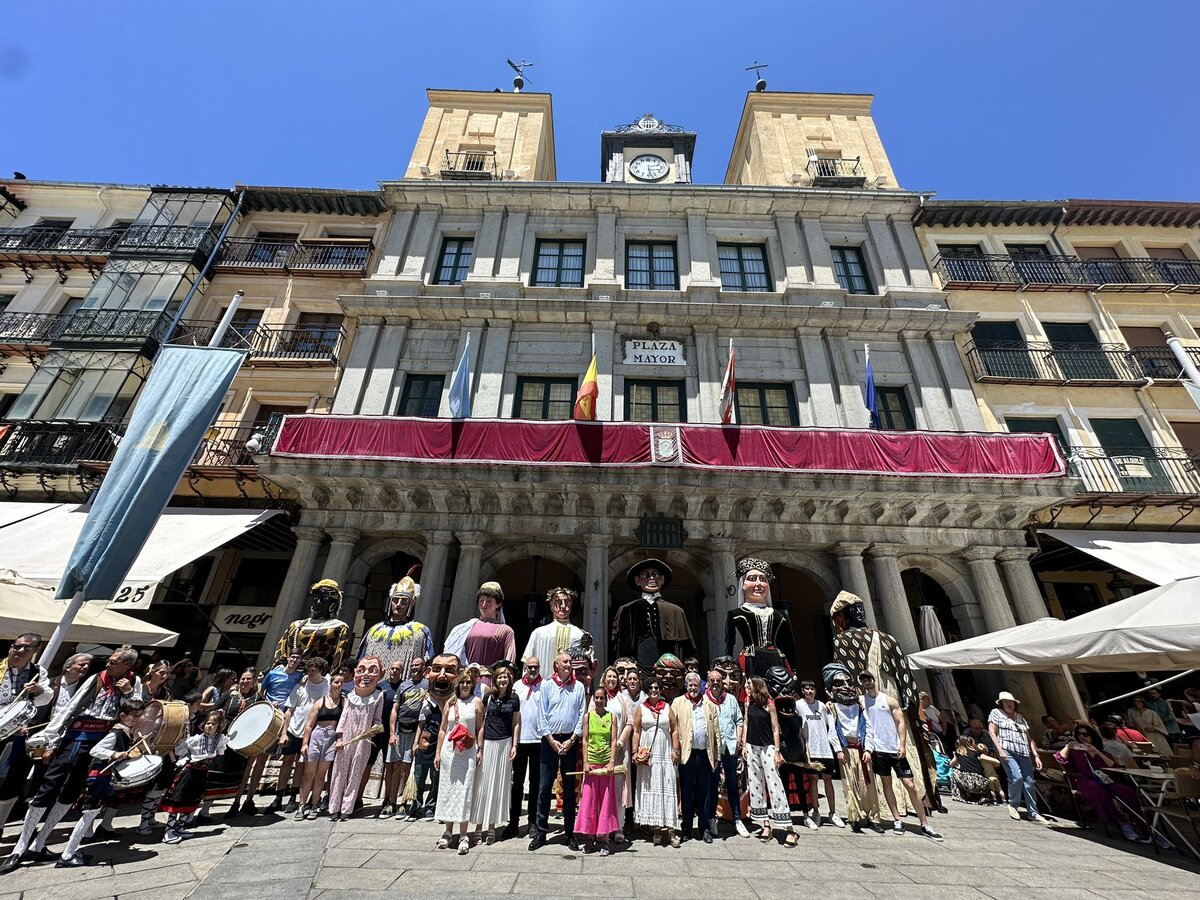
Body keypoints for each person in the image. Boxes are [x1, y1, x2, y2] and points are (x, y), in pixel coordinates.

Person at [1, 647, 144, 874]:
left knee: (72, 792)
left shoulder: (133, 682)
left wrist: (128, 693)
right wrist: (50, 736)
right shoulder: (96, 679)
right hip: (77, 736)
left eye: (115, 661)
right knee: (48, 788)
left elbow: (136, 711)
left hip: (104, 742)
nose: (108, 663)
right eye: (110, 659)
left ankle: (40, 843)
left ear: (127, 665)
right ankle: (20, 847)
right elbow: (70, 707)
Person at [830, 591, 929, 819]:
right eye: (856, 609)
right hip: (889, 693)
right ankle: (910, 800)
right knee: (896, 742)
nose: (860, 613)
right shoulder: (887, 638)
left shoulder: (843, 640)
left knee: (873, 742)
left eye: (860, 609)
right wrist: (911, 705)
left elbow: (846, 676)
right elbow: (905, 676)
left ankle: (885, 801)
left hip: (865, 699)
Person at [50, 697, 146, 868]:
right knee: (88, 816)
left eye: (139, 716)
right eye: (133, 715)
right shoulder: (116, 733)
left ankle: (70, 852)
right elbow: (95, 751)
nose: (136, 719)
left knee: (90, 815)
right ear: (122, 716)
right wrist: (114, 754)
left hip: (106, 778)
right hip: (99, 777)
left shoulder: (126, 732)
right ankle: (66, 855)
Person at [860, 671, 943, 842]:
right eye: (863, 681)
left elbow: (901, 722)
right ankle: (897, 819)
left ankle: (924, 823)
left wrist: (902, 744)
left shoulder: (888, 699)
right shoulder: (862, 701)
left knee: (909, 784)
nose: (867, 683)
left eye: (868, 679)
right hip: (878, 749)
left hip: (894, 748)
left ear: (874, 680)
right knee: (886, 783)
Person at [1057, 723, 1170, 847]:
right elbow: (1060, 759)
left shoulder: (1101, 751)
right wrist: (1068, 746)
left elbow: (1112, 765)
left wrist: (1096, 752)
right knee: (1097, 790)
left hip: (1106, 780)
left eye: (1085, 734)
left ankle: (1147, 826)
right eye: (1079, 734)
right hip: (1086, 781)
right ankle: (1121, 821)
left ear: (1092, 736)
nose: (1082, 737)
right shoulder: (1075, 751)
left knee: (1128, 792)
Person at [227, 652, 303, 818]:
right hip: (267, 716)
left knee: (261, 761)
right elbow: (262, 691)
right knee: (250, 762)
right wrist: (267, 704)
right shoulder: (274, 673)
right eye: (293, 657)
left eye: (298, 658)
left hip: (280, 720)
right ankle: (237, 800)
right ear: (289, 658)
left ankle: (249, 800)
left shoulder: (299, 676)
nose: (294, 660)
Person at [529, 650, 587, 851]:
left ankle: (570, 832)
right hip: (550, 741)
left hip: (570, 741)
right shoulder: (546, 685)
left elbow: (582, 714)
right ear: (556, 665)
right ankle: (541, 832)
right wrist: (552, 740)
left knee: (570, 788)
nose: (569, 665)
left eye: (570, 662)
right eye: (565, 662)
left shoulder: (578, 687)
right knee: (545, 787)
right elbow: (542, 714)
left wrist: (572, 739)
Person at [0, 633, 52, 832]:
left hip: (20, 732)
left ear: (35, 651)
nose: (19, 651)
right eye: (17, 646)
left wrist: (37, 690)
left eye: (26, 648)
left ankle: (1, 824)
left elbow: (46, 698)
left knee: (15, 778)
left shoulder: (38, 672)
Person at [610, 559, 696, 674]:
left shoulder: (676, 611)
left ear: (662, 580)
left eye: (655, 575)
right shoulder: (626, 610)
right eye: (645, 575)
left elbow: (686, 650)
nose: (651, 578)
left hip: (668, 673)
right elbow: (618, 649)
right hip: (636, 672)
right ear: (637, 580)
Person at [823, 663, 879, 834]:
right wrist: (838, 749)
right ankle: (854, 816)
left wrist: (869, 749)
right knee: (850, 783)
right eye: (839, 684)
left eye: (848, 683)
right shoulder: (831, 707)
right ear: (829, 689)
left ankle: (872, 817)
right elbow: (832, 729)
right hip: (846, 747)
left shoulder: (859, 705)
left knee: (868, 784)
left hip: (861, 747)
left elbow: (868, 728)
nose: (846, 687)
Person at [434, 669, 484, 853]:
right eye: (462, 682)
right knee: (448, 789)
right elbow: (443, 729)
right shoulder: (450, 702)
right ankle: (448, 831)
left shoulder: (476, 703)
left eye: (468, 682)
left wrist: (480, 748)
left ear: (472, 685)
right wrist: (438, 752)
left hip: (468, 752)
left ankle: (463, 834)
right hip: (450, 751)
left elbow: (480, 727)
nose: (465, 685)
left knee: (464, 791)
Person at [328, 656, 384, 822]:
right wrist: (339, 739)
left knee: (355, 774)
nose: (366, 674)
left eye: (372, 670)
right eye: (361, 670)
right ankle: (334, 807)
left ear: (380, 675)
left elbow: (378, 719)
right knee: (339, 773)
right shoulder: (350, 696)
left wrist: (373, 730)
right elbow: (343, 719)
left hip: (363, 741)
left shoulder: (379, 696)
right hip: (346, 740)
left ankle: (347, 808)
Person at [160, 710, 228, 844]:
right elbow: (180, 750)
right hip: (190, 772)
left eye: (213, 724)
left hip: (202, 773)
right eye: (208, 723)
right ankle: (168, 832)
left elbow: (221, 751)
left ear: (219, 726)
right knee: (177, 800)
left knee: (193, 800)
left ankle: (179, 827)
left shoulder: (219, 739)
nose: (209, 726)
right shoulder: (195, 739)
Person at [473, 659, 520, 844]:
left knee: (497, 787)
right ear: (495, 679)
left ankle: (491, 826)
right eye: (500, 677)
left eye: (505, 677)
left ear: (509, 680)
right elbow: (481, 723)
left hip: (504, 743)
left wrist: (515, 745)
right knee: (482, 785)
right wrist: (480, 746)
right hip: (488, 743)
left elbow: (516, 723)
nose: (503, 680)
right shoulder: (488, 697)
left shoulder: (514, 698)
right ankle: (478, 826)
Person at [407, 653, 458, 821]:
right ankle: (415, 806)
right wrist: (415, 742)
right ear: (428, 672)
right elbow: (421, 723)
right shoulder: (426, 699)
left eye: (449, 670)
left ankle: (431, 806)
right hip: (426, 741)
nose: (442, 675)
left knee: (437, 777)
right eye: (437, 669)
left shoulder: (457, 702)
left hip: (444, 743)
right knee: (419, 776)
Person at [274, 656, 330, 813]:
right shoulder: (300, 686)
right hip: (294, 729)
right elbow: (289, 709)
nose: (311, 673)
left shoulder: (326, 685)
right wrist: (284, 732)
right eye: (309, 670)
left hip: (312, 730)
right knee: (287, 762)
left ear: (321, 671)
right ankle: (279, 796)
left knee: (301, 764)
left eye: (314, 670)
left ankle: (294, 795)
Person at [725, 558, 795, 679]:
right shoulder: (735, 614)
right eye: (752, 579)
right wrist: (728, 666)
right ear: (743, 584)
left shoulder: (781, 616)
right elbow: (729, 645)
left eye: (763, 579)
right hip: (749, 659)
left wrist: (793, 669)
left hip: (777, 660)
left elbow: (789, 645)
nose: (758, 584)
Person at [632, 678, 681, 847]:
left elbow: (674, 729)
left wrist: (675, 750)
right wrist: (634, 751)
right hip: (649, 754)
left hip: (664, 752)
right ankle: (656, 829)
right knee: (651, 786)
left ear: (660, 690)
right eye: (651, 688)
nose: (654, 690)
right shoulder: (641, 708)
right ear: (647, 690)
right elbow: (636, 731)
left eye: (657, 688)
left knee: (667, 786)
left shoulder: (667, 708)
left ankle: (672, 830)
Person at [672, 671, 719, 843]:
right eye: (690, 684)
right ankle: (686, 829)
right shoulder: (678, 703)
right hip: (687, 754)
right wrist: (675, 751)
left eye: (696, 685)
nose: (693, 687)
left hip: (705, 754)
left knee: (704, 792)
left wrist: (716, 755)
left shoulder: (709, 705)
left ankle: (704, 828)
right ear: (686, 685)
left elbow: (716, 732)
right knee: (687, 792)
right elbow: (673, 728)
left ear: (700, 686)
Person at [358, 569, 435, 672]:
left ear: (411, 604)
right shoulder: (374, 630)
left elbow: (427, 663)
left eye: (404, 601)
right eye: (395, 600)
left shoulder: (421, 631)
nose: (398, 604)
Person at [703, 667, 748, 838]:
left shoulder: (730, 699)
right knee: (713, 784)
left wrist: (738, 740)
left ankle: (737, 818)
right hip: (713, 748)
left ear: (722, 683)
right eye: (712, 680)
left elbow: (739, 720)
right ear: (708, 682)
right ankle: (712, 818)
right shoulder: (704, 701)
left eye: (718, 680)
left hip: (730, 746)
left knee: (732, 782)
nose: (715, 683)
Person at [988, 690, 1045, 824]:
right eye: (1006, 702)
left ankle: (1033, 812)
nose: (1009, 704)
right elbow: (992, 731)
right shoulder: (996, 713)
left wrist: (1036, 755)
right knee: (1016, 777)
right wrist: (999, 750)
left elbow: (1029, 738)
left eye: (1011, 702)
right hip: (1007, 750)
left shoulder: (1020, 717)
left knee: (1029, 782)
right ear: (1001, 703)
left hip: (1023, 751)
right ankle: (1013, 804)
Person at [577, 683, 620, 855]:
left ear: (606, 699)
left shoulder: (612, 717)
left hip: (606, 765)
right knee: (589, 801)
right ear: (593, 700)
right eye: (597, 698)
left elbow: (614, 740)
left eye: (602, 698)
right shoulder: (588, 717)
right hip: (592, 764)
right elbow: (585, 740)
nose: (599, 700)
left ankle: (605, 839)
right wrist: (586, 762)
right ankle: (589, 838)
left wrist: (611, 762)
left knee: (606, 802)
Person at [273, 579, 352, 669]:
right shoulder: (295, 625)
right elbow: (281, 651)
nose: (318, 602)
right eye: (316, 598)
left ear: (334, 604)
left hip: (317, 677)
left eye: (324, 599)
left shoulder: (339, 627)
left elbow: (338, 658)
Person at [297, 672, 345, 819]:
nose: (339, 685)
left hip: (331, 737)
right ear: (331, 683)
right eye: (337, 682)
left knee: (320, 775)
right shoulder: (320, 702)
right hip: (317, 735)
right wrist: (305, 743)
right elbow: (309, 725)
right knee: (308, 774)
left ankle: (314, 804)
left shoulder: (344, 702)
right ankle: (301, 805)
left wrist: (339, 739)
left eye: (341, 683)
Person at [797, 679, 844, 828]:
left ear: (815, 691)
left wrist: (837, 749)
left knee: (828, 779)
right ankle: (816, 811)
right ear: (803, 690)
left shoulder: (822, 706)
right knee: (813, 780)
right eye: (807, 689)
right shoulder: (799, 705)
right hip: (810, 749)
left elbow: (831, 728)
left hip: (824, 748)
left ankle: (832, 812)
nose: (809, 691)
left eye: (812, 689)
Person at [384, 657, 427, 819]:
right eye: (413, 665)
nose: (415, 667)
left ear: (424, 667)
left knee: (406, 768)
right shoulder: (403, 685)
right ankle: (391, 802)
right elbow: (395, 709)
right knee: (395, 766)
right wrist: (392, 733)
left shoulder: (427, 685)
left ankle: (403, 803)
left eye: (418, 665)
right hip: (400, 731)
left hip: (414, 731)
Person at [504, 656, 542, 839]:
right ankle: (513, 822)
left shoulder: (546, 686)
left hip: (538, 741)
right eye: (530, 667)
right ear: (525, 668)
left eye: (536, 667)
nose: (533, 670)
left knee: (535, 784)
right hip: (519, 741)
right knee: (516, 783)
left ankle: (533, 821)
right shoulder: (517, 686)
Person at [443, 582, 517, 672]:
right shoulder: (463, 628)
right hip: (466, 680)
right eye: (481, 600)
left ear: (498, 604)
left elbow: (508, 662)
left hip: (490, 679)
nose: (484, 605)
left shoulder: (506, 631)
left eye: (489, 601)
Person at [523, 587, 591, 677]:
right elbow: (527, 663)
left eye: (566, 602)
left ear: (571, 605)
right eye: (558, 602)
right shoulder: (538, 633)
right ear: (551, 605)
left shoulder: (579, 635)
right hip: (541, 687)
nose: (563, 606)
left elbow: (586, 667)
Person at [600, 666, 634, 842]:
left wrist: (620, 741)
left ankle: (618, 826)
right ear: (604, 679)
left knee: (619, 788)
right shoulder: (599, 696)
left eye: (614, 676)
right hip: (600, 750)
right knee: (603, 788)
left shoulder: (623, 698)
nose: (612, 679)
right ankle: (603, 826)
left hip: (620, 750)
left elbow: (629, 722)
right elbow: (591, 718)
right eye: (609, 676)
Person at [949, 734, 1002, 804]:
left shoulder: (958, 754)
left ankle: (959, 794)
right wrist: (995, 766)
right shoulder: (977, 754)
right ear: (971, 744)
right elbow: (997, 761)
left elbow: (951, 764)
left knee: (954, 771)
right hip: (980, 783)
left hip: (966, 782)